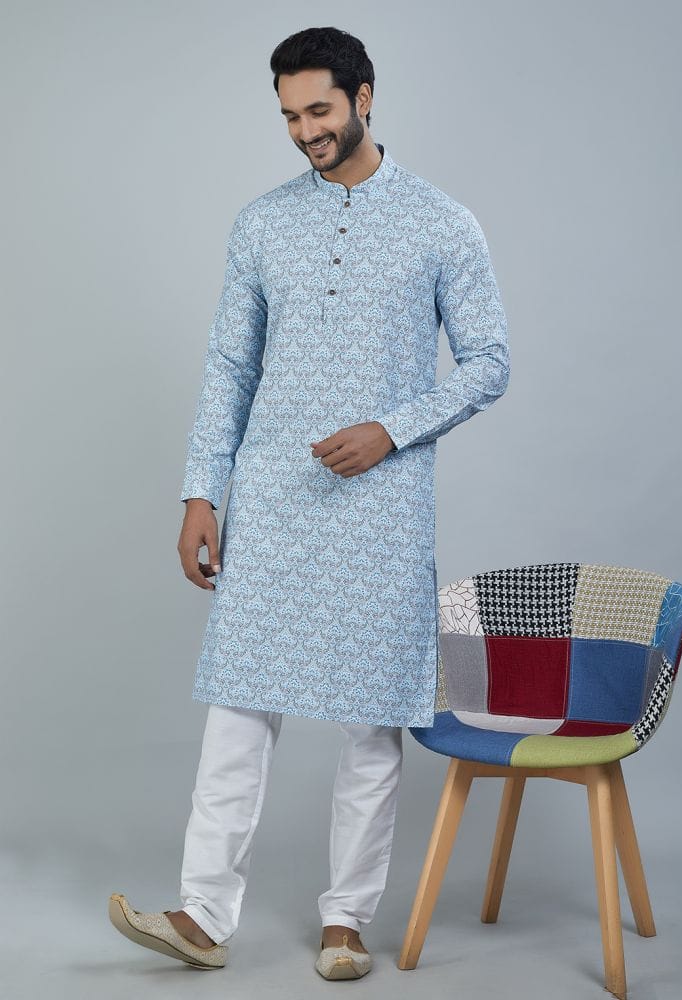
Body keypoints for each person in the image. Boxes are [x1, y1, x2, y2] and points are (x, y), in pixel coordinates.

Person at [109, 25, 510, 980]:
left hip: (381, 503)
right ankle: (203, 914)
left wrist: (392, 430)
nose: (303, 131)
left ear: (364, 97)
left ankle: (346, 922)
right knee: (239, 707)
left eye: (319, 110)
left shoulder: (441, 223)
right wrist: (202, 491)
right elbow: (229, 366)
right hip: (273, 500)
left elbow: (490, 361)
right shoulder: (262, 223)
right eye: (289, 116)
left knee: (370, 718)